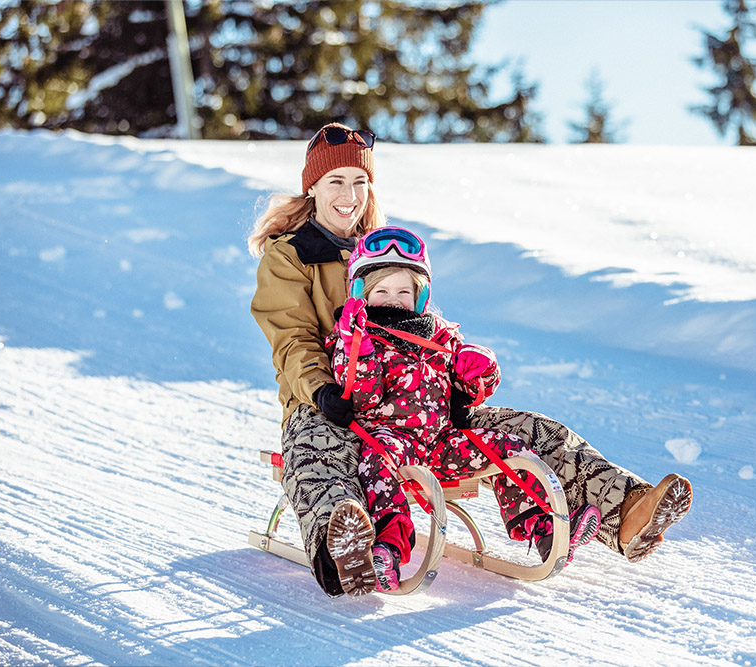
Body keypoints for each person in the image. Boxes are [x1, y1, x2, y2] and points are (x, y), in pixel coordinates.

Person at [248, 121, 692, 598]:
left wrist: (454, 382)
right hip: (331, 401)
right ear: (311, 187)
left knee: (525, 430)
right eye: (336, 181)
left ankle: (626, 510)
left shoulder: (385, 246)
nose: (349, 195)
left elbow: (426, 325)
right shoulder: (289, 256)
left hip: (416, 412)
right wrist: (321, 389)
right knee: (316, 450)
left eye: (360, 182)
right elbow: (292, 340)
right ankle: (344, 549)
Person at [327, 227, 601, 592]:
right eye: (381, 290)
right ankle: (387, 549)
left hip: (442, 441)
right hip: (389, 440)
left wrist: (479, 372)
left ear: (420, 294)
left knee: (503, 446)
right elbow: (362, 398)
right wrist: (357, 348)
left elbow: (465, 393)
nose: (393, 299)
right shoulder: (356, 337)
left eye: (403, 291)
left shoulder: (439, 335)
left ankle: (545, 527)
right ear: (361, 294)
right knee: (376, 466)